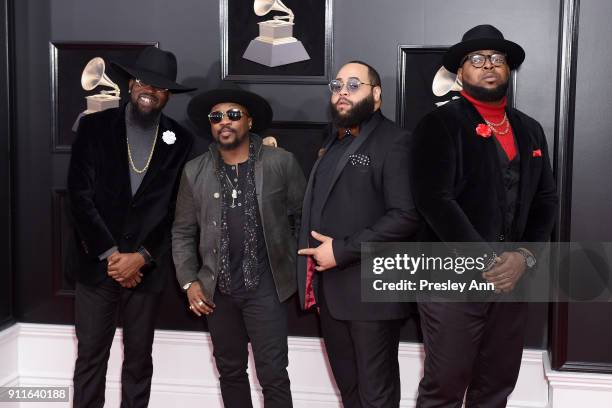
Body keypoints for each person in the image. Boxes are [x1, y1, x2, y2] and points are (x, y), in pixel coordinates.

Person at [411, 25, 558, 408]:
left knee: (495, 388)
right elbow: (434, 200)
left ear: (508, 70)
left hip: (512, 281)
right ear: (460, 74)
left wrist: (523, 257)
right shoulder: (439, 124)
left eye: (497, 59)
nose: (488, 66)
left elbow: (546, 199)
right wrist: (487, 259)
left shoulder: (530, 130)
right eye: (476, 60)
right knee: (443, 387)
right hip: (451, 280)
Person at [67, 46, 195, 407]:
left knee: (139, 361)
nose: (148, 90)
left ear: (167, 95)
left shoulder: (180, 140)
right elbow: (79, 196)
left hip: (145, 271)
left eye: (158, 87)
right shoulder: (93, 126)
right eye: (142, 81)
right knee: (91, 357)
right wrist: (112, 255)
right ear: (129, 85)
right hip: (96, 266)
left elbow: (176, 211)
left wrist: (141, 256)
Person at [296, 61, 420, 407]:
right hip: (332, 294)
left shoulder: (395, 141)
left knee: (375, 397)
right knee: (349, 393)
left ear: (376, 95)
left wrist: (343, 251)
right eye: (337, 86)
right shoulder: (335, 140)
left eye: (354, 85)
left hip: (372, 294)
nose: (342, 93)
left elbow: (405, 216)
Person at [172, 88, 306, 408]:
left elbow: (303, 217)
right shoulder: (194, 171)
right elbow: (182, 232)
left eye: (233, 114)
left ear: (249, 121)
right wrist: (190, 282)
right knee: (230, 372)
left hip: (267, 289)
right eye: (216, 117)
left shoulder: (281, 163)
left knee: (273, 375)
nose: (224, 123)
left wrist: (293, 264)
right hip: (217, 292)